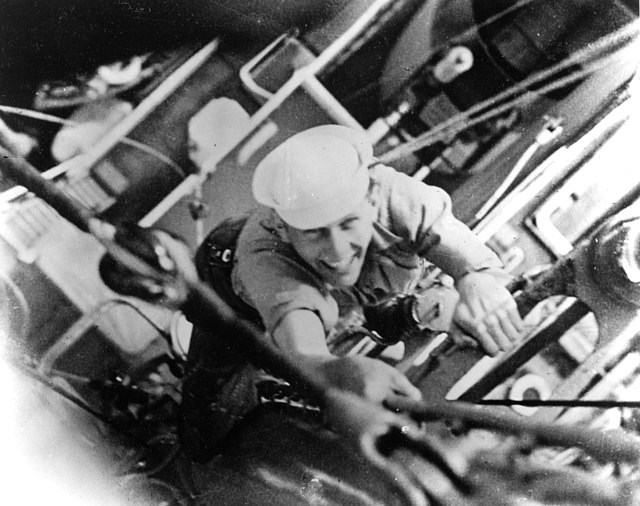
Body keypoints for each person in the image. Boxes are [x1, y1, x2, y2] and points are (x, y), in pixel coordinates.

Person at [181, 124, 523, 461]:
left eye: (348, 222)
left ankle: (409, 307)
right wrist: (339, 373)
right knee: (209, 410)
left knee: (381, 299)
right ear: (286, 230)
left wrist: (477, 278)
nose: (338, 249)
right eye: (315, 232)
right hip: (227, 283)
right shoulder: (264, 258)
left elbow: (466, 254)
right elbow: (306, 356)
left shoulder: (393, 193)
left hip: (350, 290)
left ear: (370, 198)